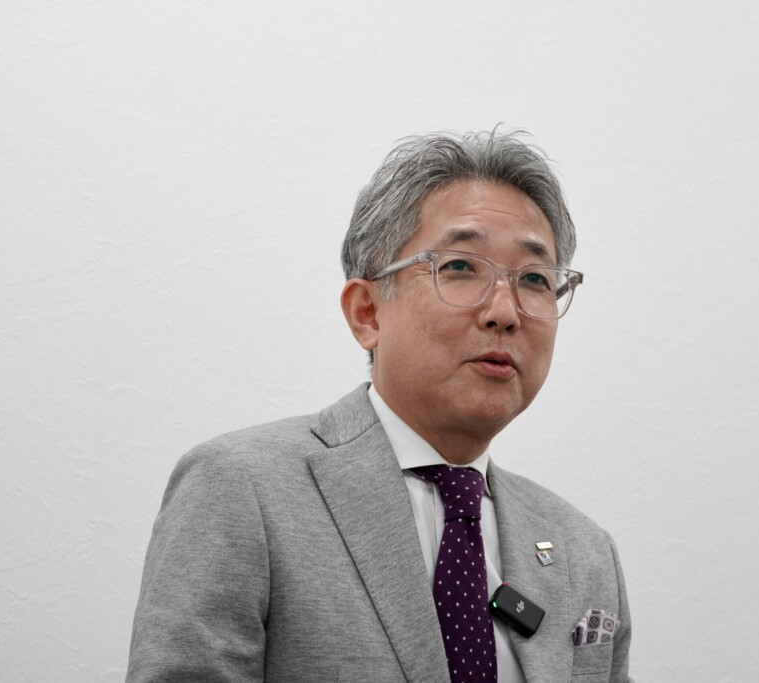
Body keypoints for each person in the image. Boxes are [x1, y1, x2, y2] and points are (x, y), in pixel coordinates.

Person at [127, 130, 633, 682]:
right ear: (367, 312)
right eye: (460, 267)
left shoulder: (584, 550)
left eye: (534, 278)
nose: (505, 312)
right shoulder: (242, 489)